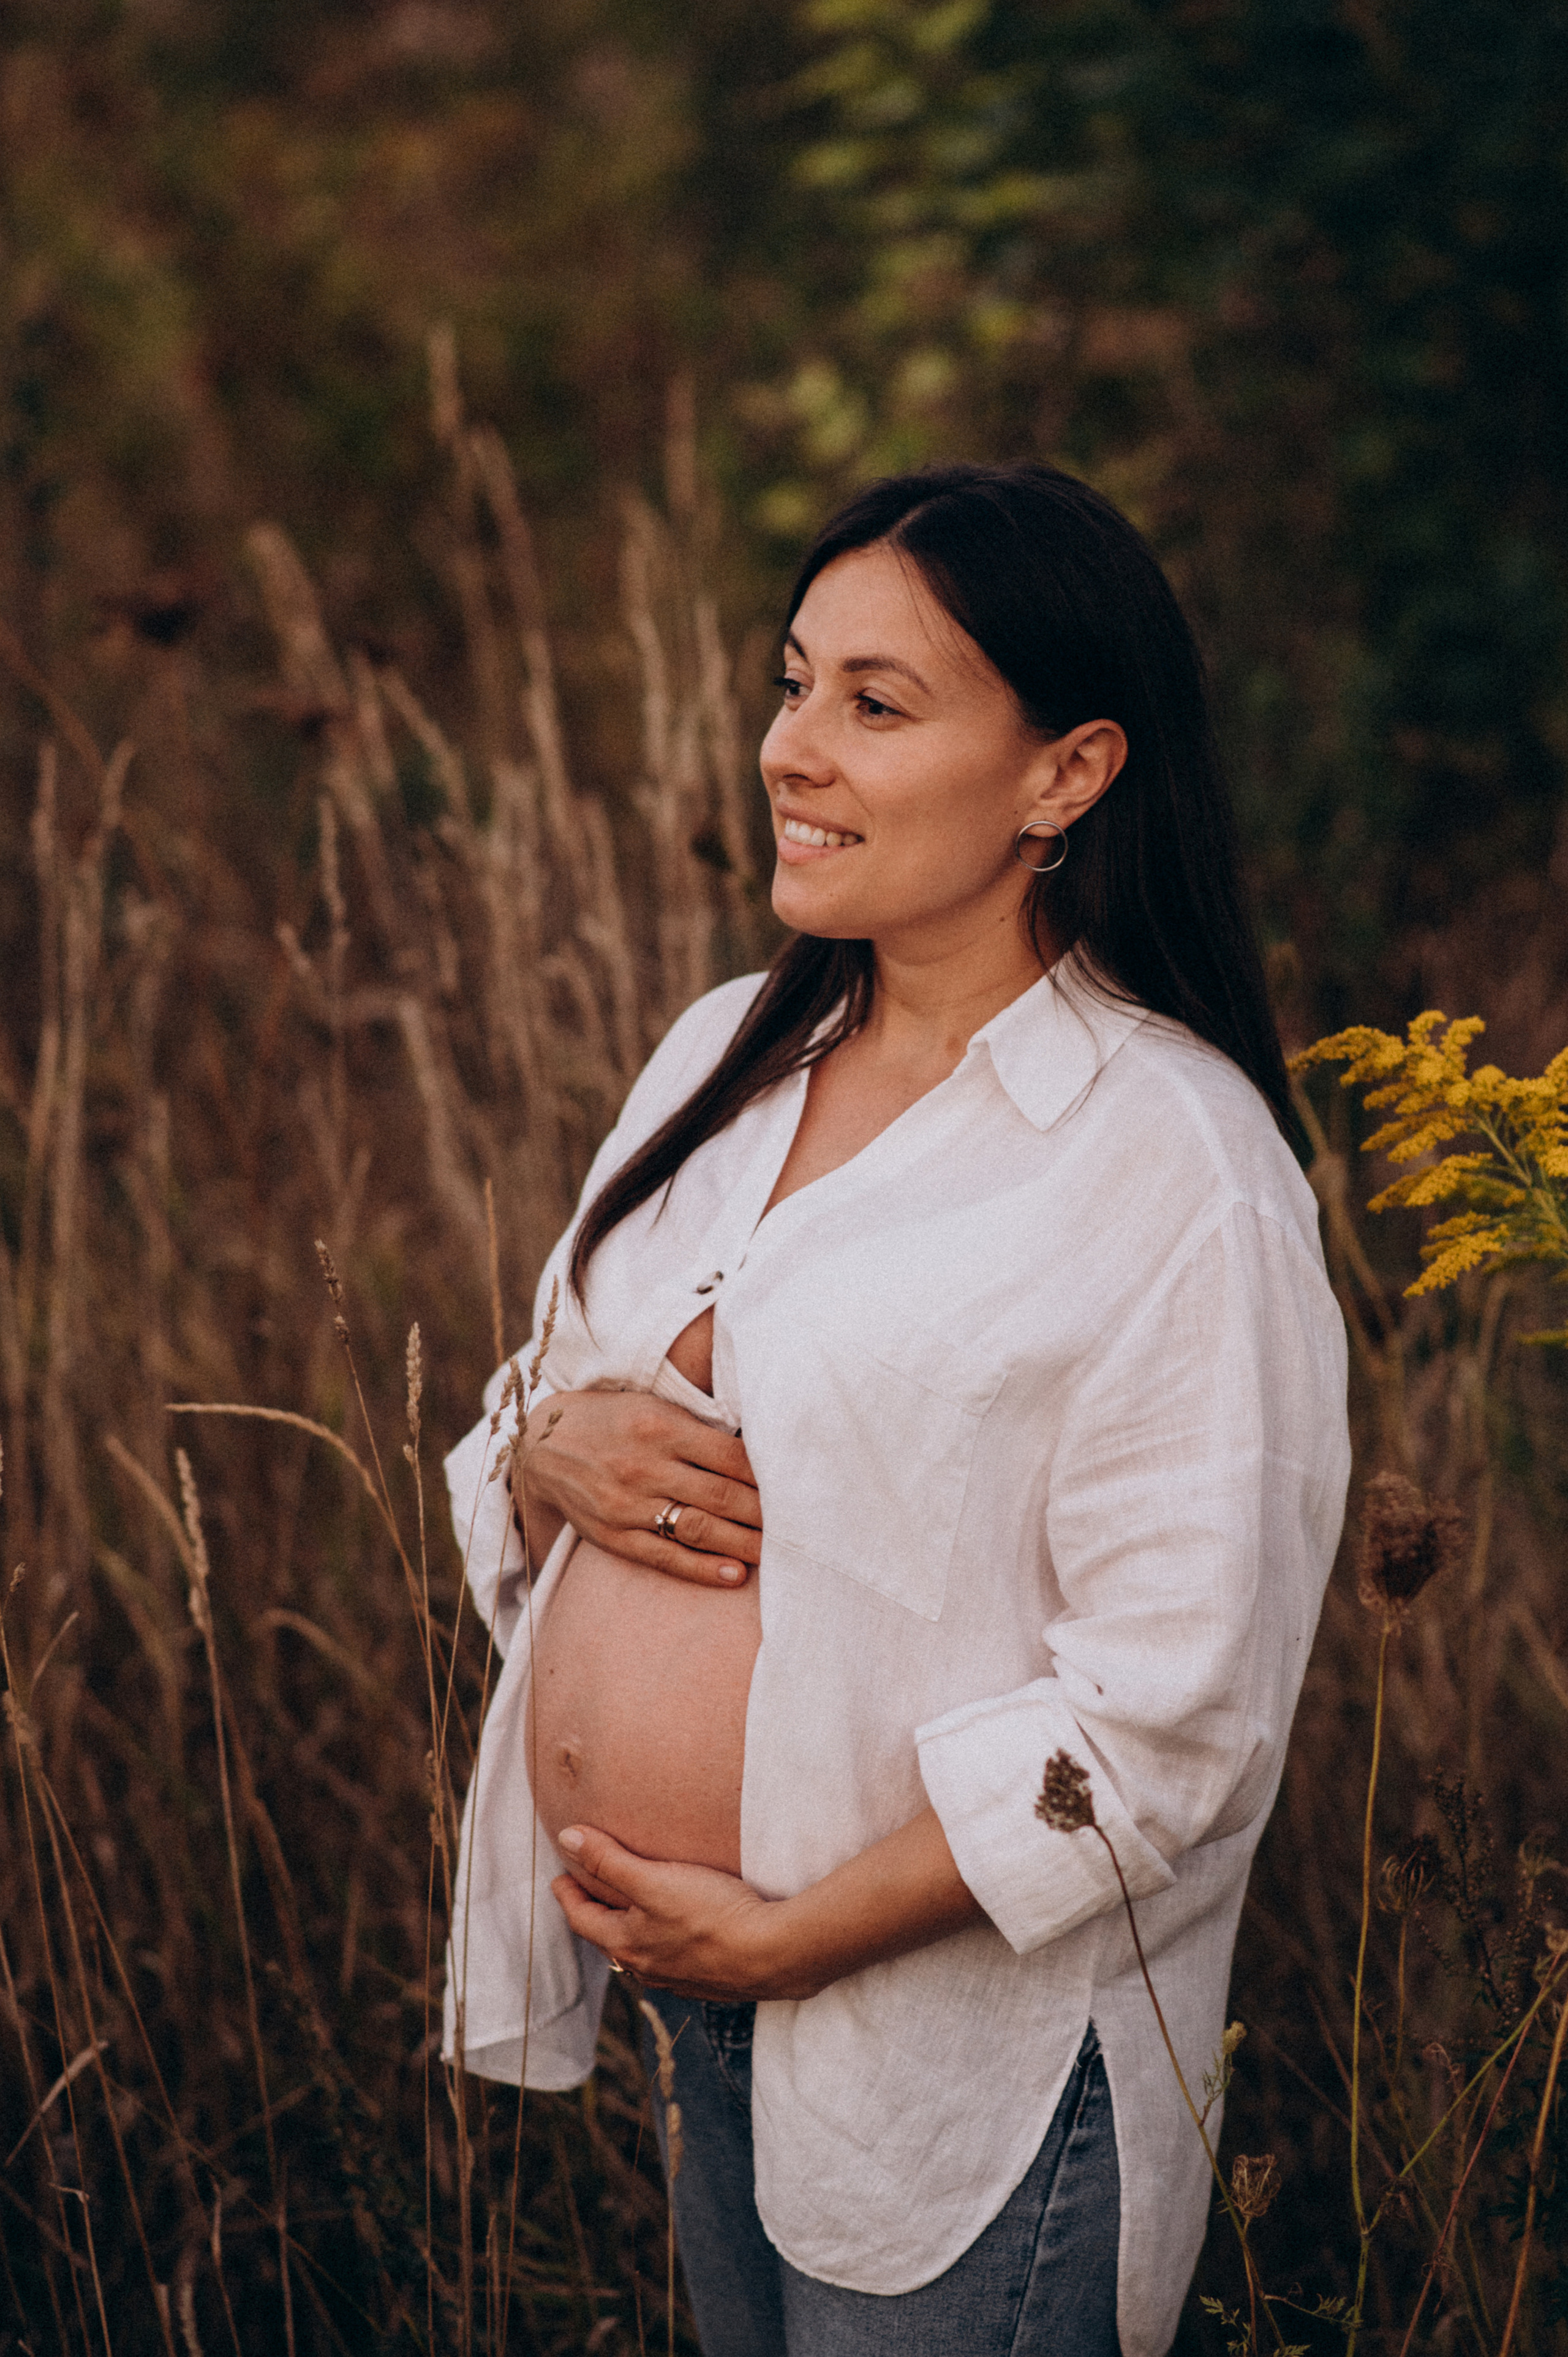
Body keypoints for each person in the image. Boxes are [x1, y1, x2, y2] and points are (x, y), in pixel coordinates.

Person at [443, 463, 1351, 2357]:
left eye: (877, 704)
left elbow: (1180, 1716)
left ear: (1065, 775)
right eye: (793, 684)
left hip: (969, 2069)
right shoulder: (723, 1050)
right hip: (704, 2024)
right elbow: (545, 1385)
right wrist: (540, 1451)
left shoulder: (1172, 1162)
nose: (793, 750)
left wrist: (789, 1938)